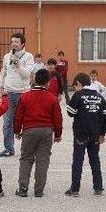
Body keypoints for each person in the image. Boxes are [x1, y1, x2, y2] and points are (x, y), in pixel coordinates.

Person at [13, 69, 63, 197]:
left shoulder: (25, 96)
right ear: (48, 83)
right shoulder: (52, 98)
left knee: (26, 159)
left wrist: (17, 131)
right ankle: (39, 190)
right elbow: (57, 118)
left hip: (29, 130)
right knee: (43, 160)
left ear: (34, 80)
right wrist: (58, 134)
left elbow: (18, 115)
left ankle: (23, 188)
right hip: (46, 131)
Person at [64, 73, 106, 197]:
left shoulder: (78, 95)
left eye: (75, 86)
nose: (75, 89)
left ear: (78, 83)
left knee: (78, 160)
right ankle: (98, 188)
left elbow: (71, 113)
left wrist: (69, 103)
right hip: (95, 134)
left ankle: (75, 189)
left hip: (80, 134)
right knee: (95, 160)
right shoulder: (100, 97)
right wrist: (102, 133)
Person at [0, 32, 35, 157]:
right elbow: (3, 73)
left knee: (26, 122)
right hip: (8, 92)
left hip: (23, 94)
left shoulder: (28, 57)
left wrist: (18, 64)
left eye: (16, 42)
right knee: (7, 123)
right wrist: (0, 90)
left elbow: (27, 75)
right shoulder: (7, 56)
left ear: (22, 43)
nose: (13, 44)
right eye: (12, 41)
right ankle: (9, 148)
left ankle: (28, 149)